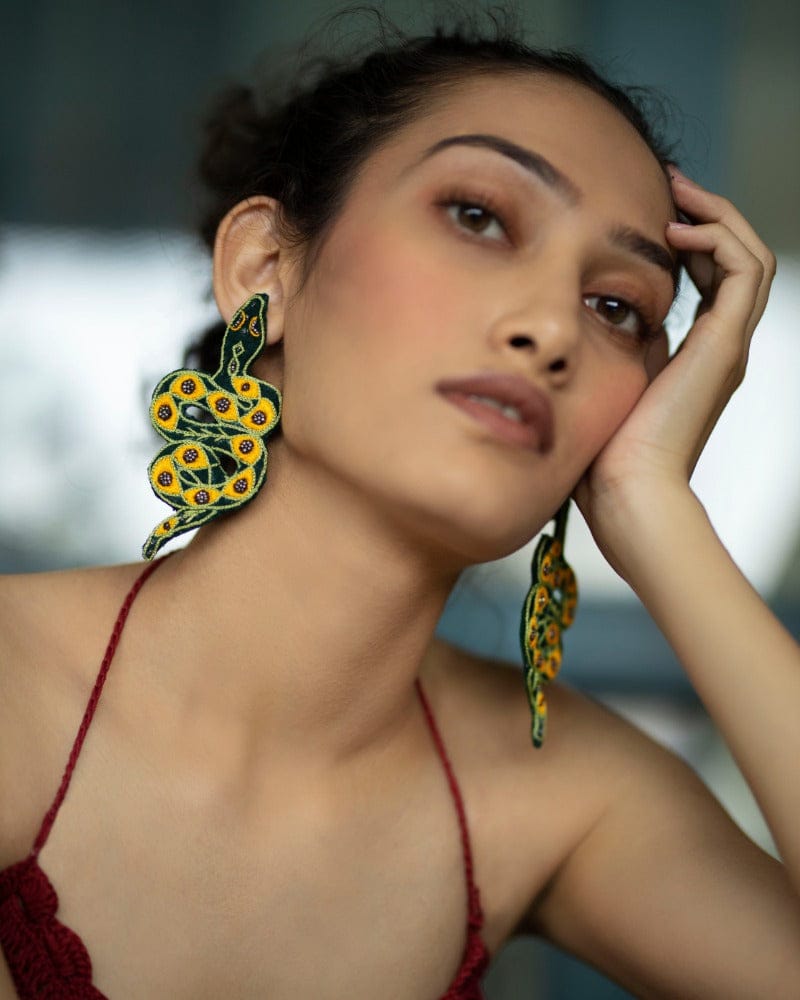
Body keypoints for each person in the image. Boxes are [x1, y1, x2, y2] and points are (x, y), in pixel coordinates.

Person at [1, 9, 798, 999]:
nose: (551, 328)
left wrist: (655, 509)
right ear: (264, 269)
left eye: (616, 308)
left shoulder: (563, 792)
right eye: (477, 217)